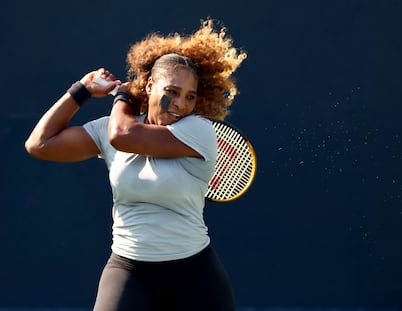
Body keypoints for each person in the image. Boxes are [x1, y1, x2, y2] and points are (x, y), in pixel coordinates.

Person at [25, 19, 247, 311]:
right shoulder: (114, 129)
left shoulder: (197, 130)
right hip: (128, 272)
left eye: (190, 96)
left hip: (195, 277)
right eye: (172, 91)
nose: (180, 104)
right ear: (151, 86)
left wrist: (123, 96)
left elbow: (122, 135)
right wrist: (82, 90)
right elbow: (40, 144)